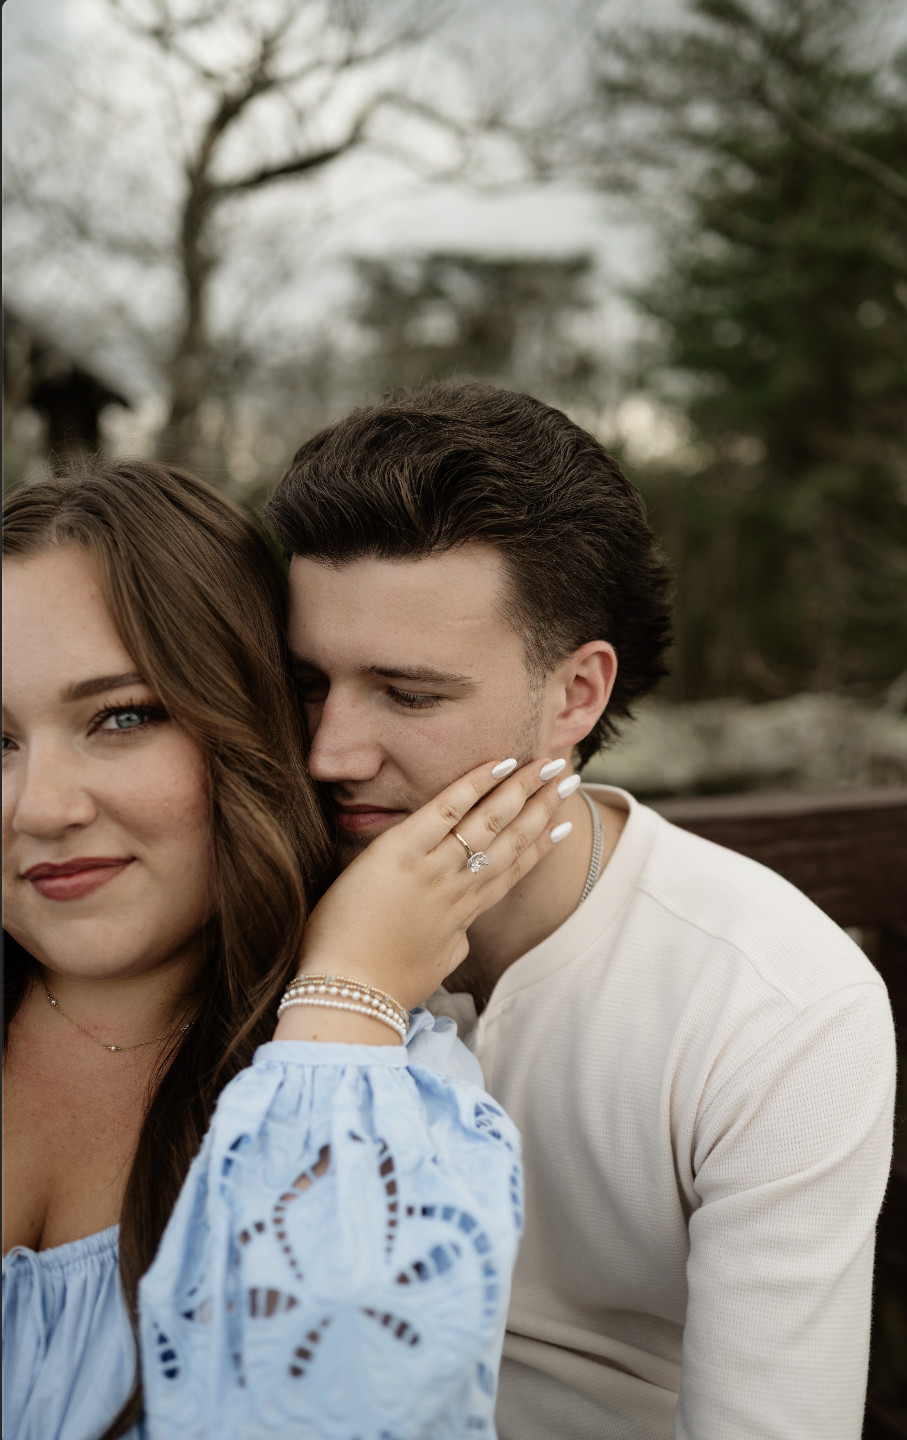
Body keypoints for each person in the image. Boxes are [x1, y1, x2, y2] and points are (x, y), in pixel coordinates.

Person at [264, 381, 898, 1440]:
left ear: (576, 696)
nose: (330, 753)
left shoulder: (776, 1002)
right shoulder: (246, 896)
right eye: (307, 684)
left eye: (408, 694)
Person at [1, 460, 574, 1440]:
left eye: (122, 717)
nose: (40, 808)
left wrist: (344, 999)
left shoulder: (389, 1097)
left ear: (246, 727)